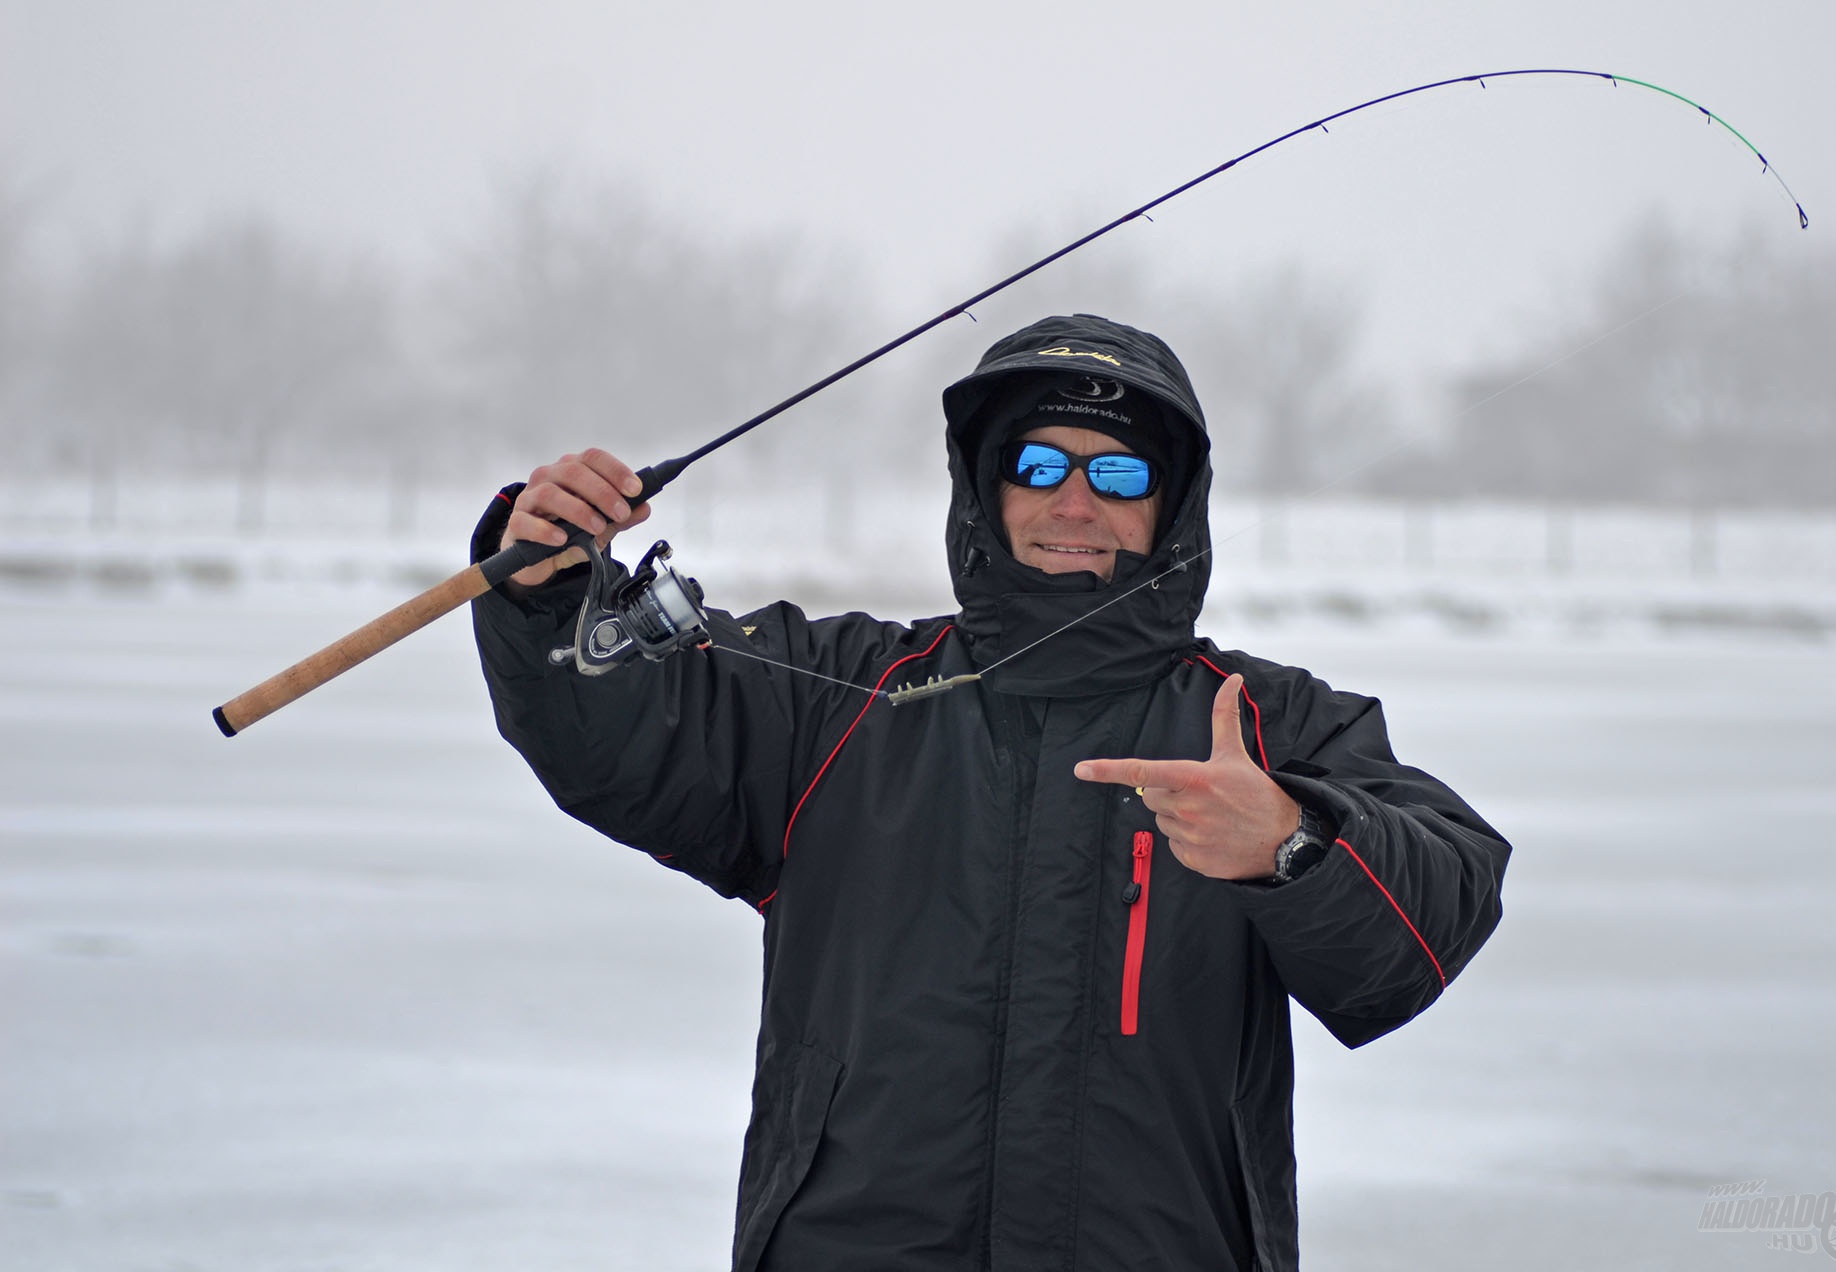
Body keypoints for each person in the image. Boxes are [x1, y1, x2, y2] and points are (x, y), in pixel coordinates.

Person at [470, 313, 1509, 1271]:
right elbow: (606, 729)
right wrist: (546, 585)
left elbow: (1434, 918)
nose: (1074, 501)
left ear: (1172, 503)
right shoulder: (833, 702)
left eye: (1119, 472)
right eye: (1039, 463)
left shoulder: (1265, 728)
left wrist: (1293, 844)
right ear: (986, 487)